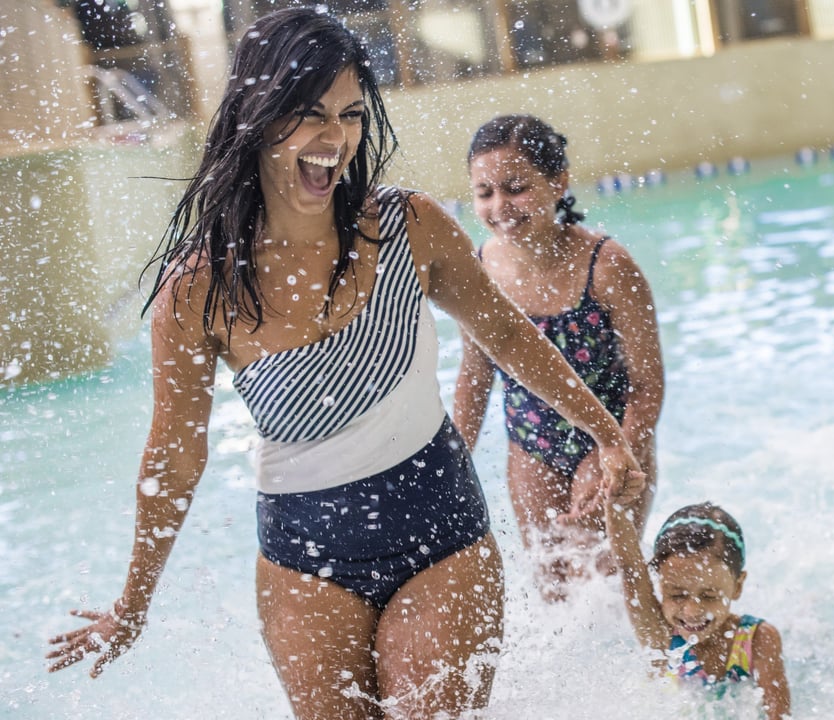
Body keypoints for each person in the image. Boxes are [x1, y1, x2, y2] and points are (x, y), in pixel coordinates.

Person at [45, 9, 645, 719]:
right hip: (304, 554)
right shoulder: (200, 288)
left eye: (352, 114)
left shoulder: (408, 227)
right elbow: (174, 456)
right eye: (310, 114)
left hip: (438, 529)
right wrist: (132, 605)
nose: (336, 139)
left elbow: (508, 338)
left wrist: (608, 435)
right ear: (259, 115)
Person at [454, 114, 664, 601]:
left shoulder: (608, 268)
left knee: (605, 584)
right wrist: (450, 467)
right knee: (553, 592)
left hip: (612, 436)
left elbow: (647, 383)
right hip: (531, 443)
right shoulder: (480, 270)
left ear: (558, 182)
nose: (499, 206)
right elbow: (475, 374)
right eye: (484, 192)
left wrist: (624, 455)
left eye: (515, 188)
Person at [604, 501, 791, 720]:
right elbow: (630, 571)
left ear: (737, 586)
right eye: (676, 594)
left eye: (709, 595)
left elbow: (780, 715)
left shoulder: (757, 639)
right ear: (659, 584)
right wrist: (615, 503)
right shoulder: (661, 635)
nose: (692, 612)